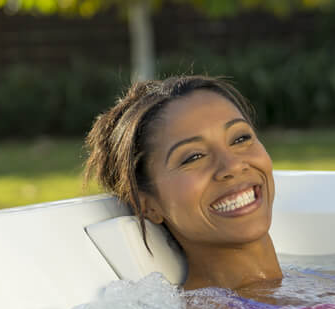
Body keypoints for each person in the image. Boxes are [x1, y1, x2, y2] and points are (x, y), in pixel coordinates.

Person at [84, 74, 283, 296]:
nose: (233, 166)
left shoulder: (317, 285)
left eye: (240, 139)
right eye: (194, 157)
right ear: (146, 205)